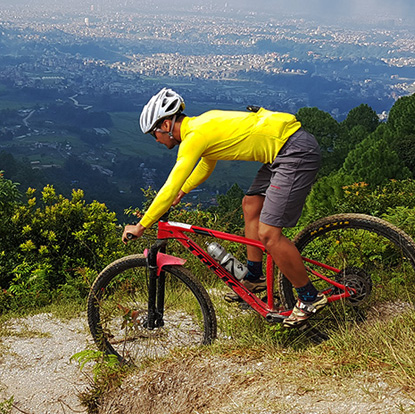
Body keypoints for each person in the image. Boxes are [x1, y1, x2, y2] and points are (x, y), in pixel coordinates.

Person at [123, 88, 325, 328]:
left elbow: (170, 184)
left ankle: (309, 297)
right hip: (280, 151)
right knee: (250, 205)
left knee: (269, 234)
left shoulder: (195, 135)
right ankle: (254, 277)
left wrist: (141, 225)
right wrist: (183, 191)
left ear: (166, 125)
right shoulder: (201, 125)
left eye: (154, 133)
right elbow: (207, 164)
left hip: (294, 152)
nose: (155, 140)